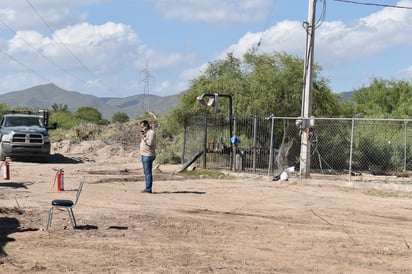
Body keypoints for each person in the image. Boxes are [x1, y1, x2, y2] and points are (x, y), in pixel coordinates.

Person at [139, 120, 156, 193]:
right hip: (144, 155)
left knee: (148, 173)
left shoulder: (151, 133)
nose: (142, 128)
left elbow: (150, 143)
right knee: (146, 172)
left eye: (143, 127)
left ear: (146, 125)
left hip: (148, 155)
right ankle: (147, 187)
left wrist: (144, 138)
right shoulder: (146, 133)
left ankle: (148, 188)